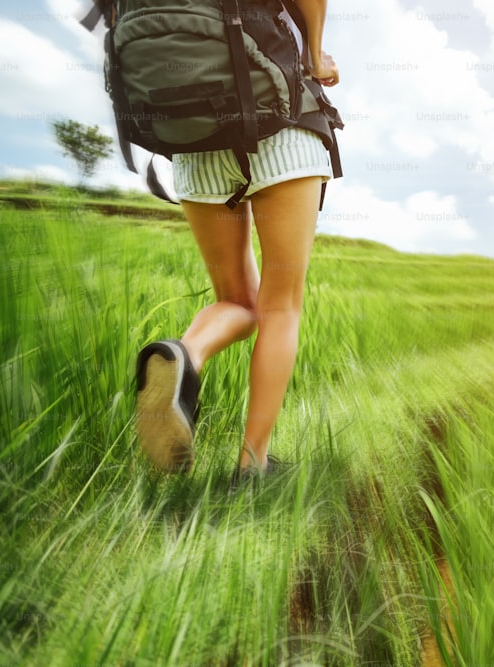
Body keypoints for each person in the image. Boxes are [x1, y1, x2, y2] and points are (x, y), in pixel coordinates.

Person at [134, 0, 339, 482]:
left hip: (192, 130)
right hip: (278, 115)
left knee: (236, 300)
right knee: (279, 305)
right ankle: (253, 467)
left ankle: (184, 356)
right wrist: (314, 53)